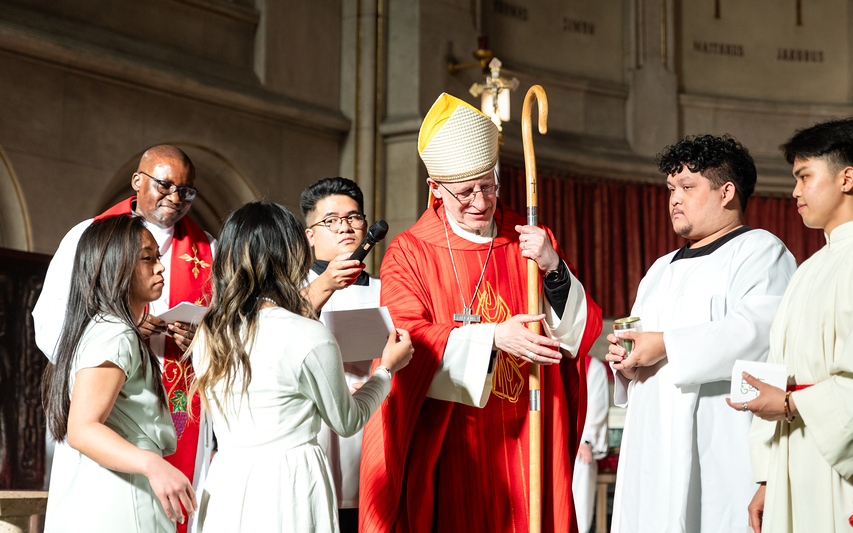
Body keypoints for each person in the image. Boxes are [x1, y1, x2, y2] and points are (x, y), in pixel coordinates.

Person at [359, 93, 604, 533]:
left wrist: (553, 268)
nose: (480, 201)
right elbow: (405, 341)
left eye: (488, 186)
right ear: (435, 188)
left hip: (530, 425)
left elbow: (577, 338)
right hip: (456, 438)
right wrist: (492, 337)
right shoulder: (410, 253)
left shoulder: (530, 239)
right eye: (465, 192)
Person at [729, 118, 853, 533]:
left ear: (846, 178)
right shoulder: (809, 268)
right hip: (797, 451)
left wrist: (791, 405)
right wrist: (768, 477)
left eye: (804, 176)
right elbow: (781, 369)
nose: (795, 191)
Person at [606, 134, 797, 533]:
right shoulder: (659, 269)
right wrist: (626, 362)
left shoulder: (761, 251)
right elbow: (641, 345)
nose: (674, 199)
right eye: (670, 189)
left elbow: (757, 334)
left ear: (726, 192)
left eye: (687, 187)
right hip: (651, 444)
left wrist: (665, 345)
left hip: (717, 442)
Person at [189, 201, 413, 533]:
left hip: (229, 478)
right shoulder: (307, 333)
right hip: (289, 480)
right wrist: (387, 370)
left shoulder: (209, 332)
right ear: (291, 256)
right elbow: (348, 421)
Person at [33, 144, 214, 532]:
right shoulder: (89, 236)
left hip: (173, 401)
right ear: (137, 180)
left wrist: (200, 341)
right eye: (165, 186)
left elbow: (223, 330)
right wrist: (122, 328)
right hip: (107, 410)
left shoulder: (209, 249)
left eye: (186, 191)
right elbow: (51, 319)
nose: (175, 198)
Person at [300, 177, 376, 533]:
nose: (345, 227)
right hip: (315, 431)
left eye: (353, 217)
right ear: (310, 234)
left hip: (373, 423)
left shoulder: (389, 289)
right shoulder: (290, 292)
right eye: (331, 220)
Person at [572, 356, 609, 533]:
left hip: (581, 441)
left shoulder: (593, 367)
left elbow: (596, 407)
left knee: (582, 462)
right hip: (554, 440)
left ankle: (579, 529)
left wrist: (585, 440)